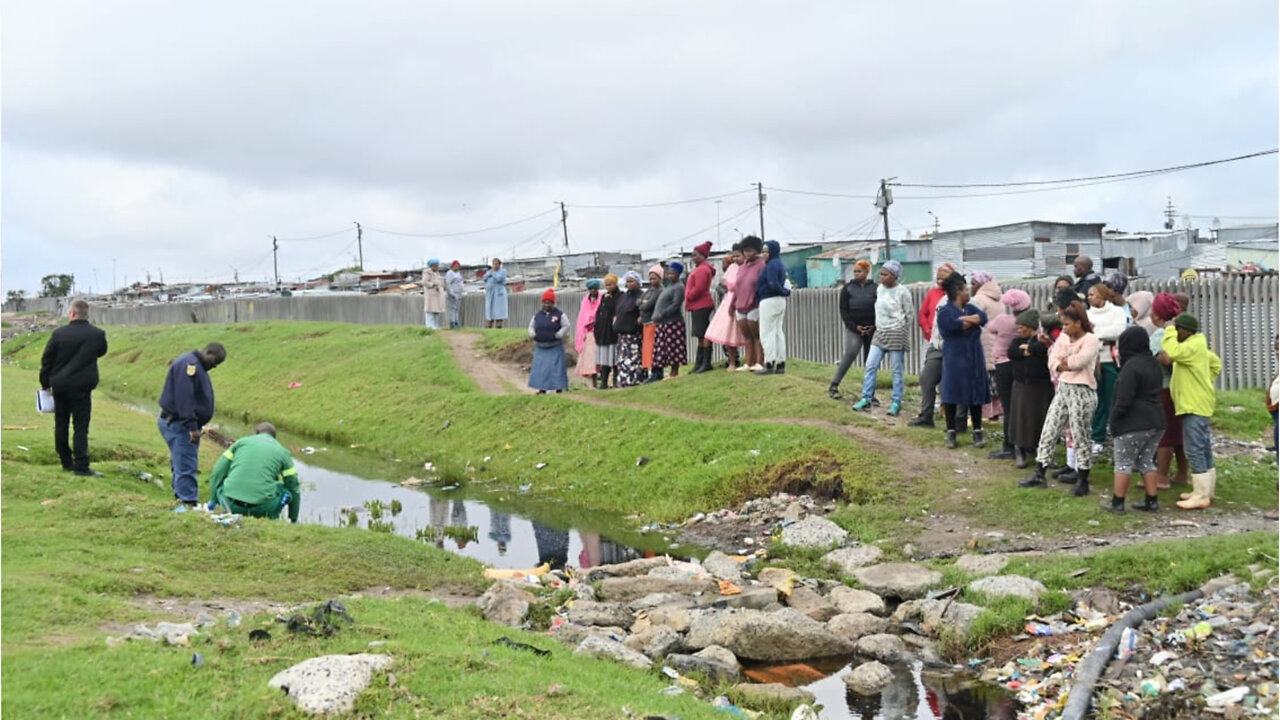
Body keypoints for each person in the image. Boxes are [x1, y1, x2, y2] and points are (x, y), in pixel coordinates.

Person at [1021, 301, 1099, 494]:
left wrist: (1065, 362)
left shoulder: (1091, 339)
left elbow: (1080, 361)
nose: (1063, 328)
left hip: (1082, 390)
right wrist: (1063, 364)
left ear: (1079, 323)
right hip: (1064, 388)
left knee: (1081, 434)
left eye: (1066, 324)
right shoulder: (1064, 338)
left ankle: (1083, 479)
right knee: (1050, 428)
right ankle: (1040, 472)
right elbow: (1052, 360)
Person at [39, 298, 109, 476]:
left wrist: (45, 383)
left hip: (60, 385)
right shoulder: (97, 334)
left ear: (71, 313)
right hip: (82, 387)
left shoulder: (59, 334)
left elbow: (47, 360)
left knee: (61, 424)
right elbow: (101, 351)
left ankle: (66, 461)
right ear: (86, 315)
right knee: (81, 426)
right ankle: (81, 465)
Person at [1101, 327, 1165, 513]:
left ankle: (1118, 502)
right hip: (1157, 421)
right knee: (1146, 460)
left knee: (1123, 462)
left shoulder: (1131, 367)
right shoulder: (1153, 363)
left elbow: (1124, 399)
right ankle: (1151, 500)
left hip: (1133, 422)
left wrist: (1114, 421)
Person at [1163, 313, 1222, 510]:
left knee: (1194, 448)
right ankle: (1206, 490)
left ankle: (1201, 495)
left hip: (1193, 404)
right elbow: (1216, 364)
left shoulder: (1192, 346)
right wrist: (1204, 381)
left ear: (1185, 331)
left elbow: (1171, 352)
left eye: (1177, 329)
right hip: (1197, 402)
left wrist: (1168, 331)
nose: (1175, 332)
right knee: (1203, 446)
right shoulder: (1197, 347)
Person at [158, 343, 227, 507]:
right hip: (180, 424)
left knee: (180, 462)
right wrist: (192, 427)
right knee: (186, 464)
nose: (214, 366)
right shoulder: (190, 366)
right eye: (215, 361)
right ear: (208, 352)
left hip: (177, 422)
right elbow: (185, 398)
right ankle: (187, 502)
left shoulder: (193, 363)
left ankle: (180, 498)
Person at [851, 261, 912, 416]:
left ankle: (896, 402)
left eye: (885, 274)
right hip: (880, 333)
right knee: (870, 365)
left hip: (896, 333)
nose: (882, 277)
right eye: (881, 273)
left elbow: (909, 315)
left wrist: (901, 329)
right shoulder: (879, 289)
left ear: (894, 276)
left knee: (896, 370)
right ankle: (866, 398)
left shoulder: (902, 292)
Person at [936, 272, 990, 448]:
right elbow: (953, 325)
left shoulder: (970, 307)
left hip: (974, 358)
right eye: (966, 289)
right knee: (951, 394)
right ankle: (951, 432)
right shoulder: (944, 312)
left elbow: (982, 318)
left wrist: (966, 319)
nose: (969, 292)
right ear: (958, 291)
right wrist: (967, 322)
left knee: (975, 395)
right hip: (954, 359)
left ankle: (977, 431)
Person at [207, 422, 301, 522]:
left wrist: (213, 500)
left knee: (221, 483)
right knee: (286, 491)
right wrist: (293, 518)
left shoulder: (240, 442)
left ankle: (228, 509)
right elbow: (294, 486)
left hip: (230, 504)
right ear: (274, 437)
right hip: (263, 508)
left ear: (256, 432)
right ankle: (272, 519)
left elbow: (217, 473)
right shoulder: (283, 452)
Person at [984, 289, 1031, 459]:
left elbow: (990, 328)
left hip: (1002, 366)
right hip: (1021, 365)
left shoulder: (1003, 320)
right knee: (1021, 406)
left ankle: (1009, 445)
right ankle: (1025, 444)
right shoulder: (1027, 323)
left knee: (1008, 407)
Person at [908, 263, 956, 428]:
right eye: (938, 278)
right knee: (926, 378)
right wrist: (927, 329)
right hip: (932, 342)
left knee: (948, 381)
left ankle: (953, 417)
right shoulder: (932, 294)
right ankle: (927, 415)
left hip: (951, 347)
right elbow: (923, 314)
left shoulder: (958, 296)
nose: (941, 282)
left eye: (944, 278)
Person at [1150, 292, 1189, 489]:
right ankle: (1183, 473)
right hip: (1181, 389)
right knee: (1178, 434)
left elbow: (1166, 359)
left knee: (1164, 434)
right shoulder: (1182, 332)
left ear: (1157, 315)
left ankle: (1162, 477)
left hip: (1165, 389)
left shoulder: (1160, 334)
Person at [1007, 310, 1054, 469]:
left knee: (1041, 419)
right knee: (1021, 418)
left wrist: (1030, 348)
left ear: (1030, 326)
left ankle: (1040, 450)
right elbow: (1012, 352)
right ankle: (1020, 449)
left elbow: (1045, 349)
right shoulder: (1016, 341)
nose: (1019, 330)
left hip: (1041, 386)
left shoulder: (1042, 339)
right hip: (1022, 385)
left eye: (1022, 327)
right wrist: (1027, 350)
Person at [1087, 282, 1129, 451]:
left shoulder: (1116, 312)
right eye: (1089, 295)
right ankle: (1097, 437)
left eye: (1093, 294)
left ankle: (1118, 434)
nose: (1090, 297)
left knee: (1112, 397)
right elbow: (1084, 333)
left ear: (1103, 295)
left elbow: (1118, 330)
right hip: (1092, 361)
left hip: (1110, 361)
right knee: (1097, 401)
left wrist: (1096, 334)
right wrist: (1100, 336)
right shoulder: (1087, 314)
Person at [829, 259, 877, 400]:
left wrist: (873, 326)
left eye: (859, 271)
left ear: (867, 272)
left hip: (872, 329)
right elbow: (843, 310)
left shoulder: (875, 288)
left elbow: (880, 308)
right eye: (855, 271)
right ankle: (834, 385)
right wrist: (855, 327)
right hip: (854, 328)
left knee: (870, 361)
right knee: (850, 354)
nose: (856, 274)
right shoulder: (848, 288)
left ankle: (869, 393)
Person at [970, 271, 1005, 422]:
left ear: (981, 284)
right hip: (996, 342)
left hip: (982, 342)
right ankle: (995, 414)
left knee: (983, 381)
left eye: (973, 283)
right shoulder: (999, 298)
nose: (970, 287)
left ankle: (985, 414)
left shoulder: (978, 299)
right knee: (993, 381)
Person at [754, 240, 791, 375]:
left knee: (766, 333)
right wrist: (785, 292)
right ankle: (780, 363)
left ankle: (769, 363)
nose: (763, 255)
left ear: (773, 252)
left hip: (769, 300)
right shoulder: (779, 264)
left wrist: (783, 291)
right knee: (777, 333)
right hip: (779, 301)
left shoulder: (771, 266)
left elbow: (773, 283)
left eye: (766, 252)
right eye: (762, 252)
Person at [705, 245, 745, 371]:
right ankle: (731, 361)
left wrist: (732, 285)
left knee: (749, 333)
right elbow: (724, 282)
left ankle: (752, 360)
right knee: (727, 331)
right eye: (733, 256)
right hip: (729, 301)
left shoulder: (747, 267)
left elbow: (739, 284)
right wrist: (730, 285)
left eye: (738, 256)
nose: (735, 259)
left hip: (743, 300)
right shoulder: (732, 267)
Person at [527, 288, 570, 394]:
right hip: (541, 347)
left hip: (555, 346)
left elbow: (566, 325)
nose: (547, 305)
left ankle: (559, 388)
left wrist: (559, 334)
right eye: (545, 302)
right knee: (542, 369)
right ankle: (542, 389)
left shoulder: (559, 314)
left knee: (556, 369)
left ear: (553, 303)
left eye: (549, 302)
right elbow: (531, 326)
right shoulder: (538, 315)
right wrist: (532, 334)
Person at [733, 236, 766, 372]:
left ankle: (760, 362)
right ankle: (748, 362)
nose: (747, 253)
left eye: (750, 250)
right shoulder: (741, 267)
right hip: (740, 305)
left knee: (756, 335)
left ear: (757, 250)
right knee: (746, 336)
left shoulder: (762, 265)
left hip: (754, 305)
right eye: (745, 251)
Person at [685, 241, 716, 374]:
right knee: (699, 334)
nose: (693, 257)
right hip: (697, 305)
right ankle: (699, 363)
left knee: (703, 334)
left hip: (701, 304)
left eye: (695, 255)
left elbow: (700, 288)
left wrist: (689, 296)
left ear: (703, 255)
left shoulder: (703, 270)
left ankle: (705, 363)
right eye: (692, 255)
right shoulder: (700, 269)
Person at [652, 262, 687, 380]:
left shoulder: (679, 287)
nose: (670, 276)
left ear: (678, 274)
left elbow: (676, 304)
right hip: (663, 323)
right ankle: (670, 372)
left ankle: (674, 372)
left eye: (673, 273)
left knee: (674, 347)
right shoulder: (669, 286)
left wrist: (663, 313)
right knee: (665, 348)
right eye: (669, 273)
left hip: (673, 322)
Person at [613, 272, 644, 387]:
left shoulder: (641, 296)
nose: (629, 284)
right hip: (622, 337)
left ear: (638, 282)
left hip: (634, 337)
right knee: (622, 361)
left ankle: (635, 382)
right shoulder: (623, 297)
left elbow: (643, 312)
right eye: (628, 281)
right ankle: (623, 383)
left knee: (634, 361)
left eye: (632, 281)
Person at [593, 274, 620, 389]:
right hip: (602, 332)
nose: (608, 287)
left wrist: (609, 301)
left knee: (614, 359)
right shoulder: (604, 297)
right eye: (606, 285)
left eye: (611, 284)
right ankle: (603, 383)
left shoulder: (619, 296)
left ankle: (615, 382)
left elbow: (615, 310)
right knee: (604, 359)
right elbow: (599, 312)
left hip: (612, 332)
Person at [639, 264, 664, 381]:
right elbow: (638, 301)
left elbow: (648, 305)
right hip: (646, 324)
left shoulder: (660, 291)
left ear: (660, 278)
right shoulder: (650, 290)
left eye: (655, 278)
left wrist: (644, 303)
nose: (652, 281)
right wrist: (642, 302)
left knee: (655, 349)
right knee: (648, 349)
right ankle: (652, 372)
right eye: (650, 278)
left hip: (654, 323)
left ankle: (657, 373)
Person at [575, 279, 603, 385]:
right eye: (591, 289)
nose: (593, 291)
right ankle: (593, 382)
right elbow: (583, 317)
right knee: (590, 360)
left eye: (595, 289)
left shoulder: (603, 299)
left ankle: (600, 381)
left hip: (600, 332)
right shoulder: (585, 301)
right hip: (588, 334)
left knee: (599, 359)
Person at [421, 259, 447, 329]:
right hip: (431, 295)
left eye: (437, 265)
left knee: (436, 311)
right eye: (435, 265)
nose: (437, 267)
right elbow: (424, 282)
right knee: (430, 311)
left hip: (437, 295)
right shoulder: (426, 272)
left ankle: (435, 326)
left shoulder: (437, 273)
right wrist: (433, 285)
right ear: (431, 266)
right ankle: (430, 326)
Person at [483, 258, 508, 328]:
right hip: (490, 293)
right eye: (493, 264)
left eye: (496, 264)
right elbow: (484, 278)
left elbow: (499, 278)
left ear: (500, 265)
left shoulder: (503, 271)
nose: (495, 266)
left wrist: (493, 273)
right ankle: (489, 324)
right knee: (490, 309)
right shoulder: (489, 271)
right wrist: (489, 273)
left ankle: (499, 324)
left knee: (499, 310)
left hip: (498, 293)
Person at [445, 260, 465, 329]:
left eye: (458, 266)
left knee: (457, 308)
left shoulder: (459, 273)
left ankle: (456, 321)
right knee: (453, 308)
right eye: (455, 266)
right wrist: (451, 293)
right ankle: (452, 322)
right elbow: (448, 284)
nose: (457, 267)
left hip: (459, 292)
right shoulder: (450, 273)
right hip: (453, 292)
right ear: (452, 266)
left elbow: (461, 281)